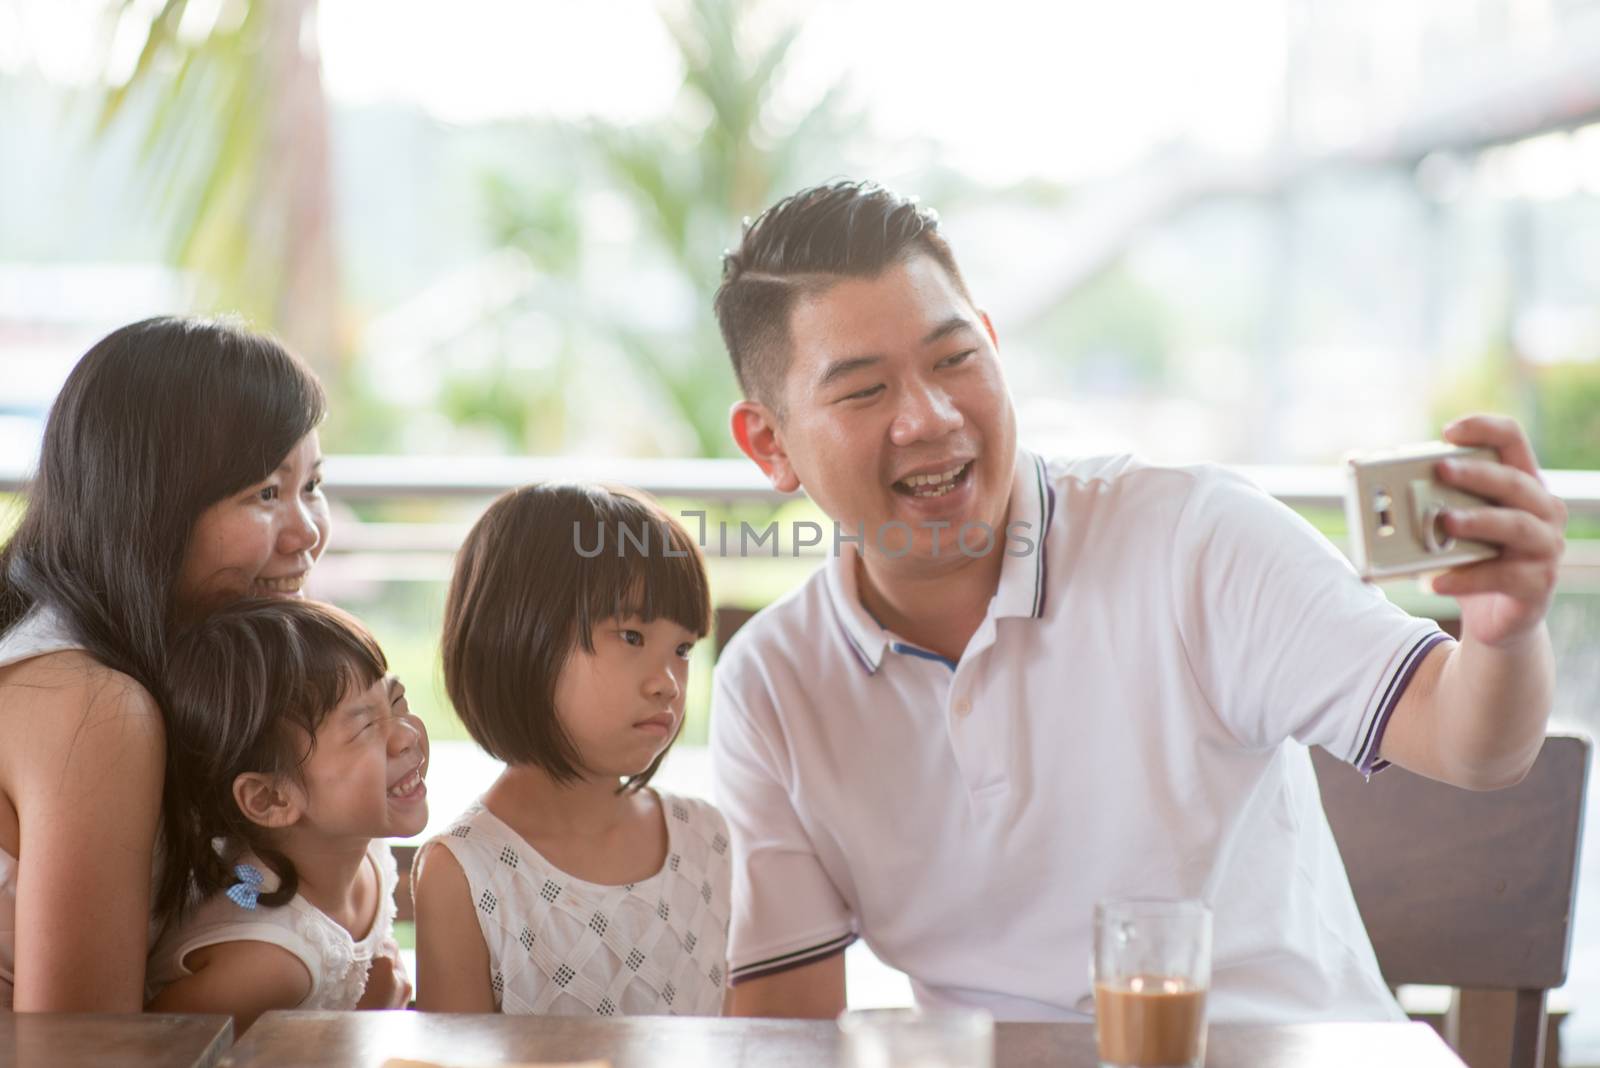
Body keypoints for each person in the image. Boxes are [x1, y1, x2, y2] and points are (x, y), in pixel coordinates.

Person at [708, 180, 1566, 1021]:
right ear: (768, 443)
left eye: (955, 358)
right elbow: (786, 1028)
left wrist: (1504, 636)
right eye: (864, 390)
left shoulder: (1192, 538)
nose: (930, 417)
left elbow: (1473, 743)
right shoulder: (774, 684)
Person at [0, 316, 332, 1011]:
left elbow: (224, 889)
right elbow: (83, 1051)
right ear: (151, 506)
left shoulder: (170, 667)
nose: (307, 532)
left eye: (312, 486)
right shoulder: (90, 705)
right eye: (267, 494)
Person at [413, 483, 731, 1017]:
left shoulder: (708, 838)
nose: (669, 683)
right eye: (631, 636)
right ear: (519, 636)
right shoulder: (462, 873)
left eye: (682, 649)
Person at [145, 599, 429, 1032]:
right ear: (271, 799)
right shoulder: (265, 965)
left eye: (398, 701)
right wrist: (364, 1021)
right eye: (366, 728)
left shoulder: (358, 836)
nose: (406, 735)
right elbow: (150, 1055)